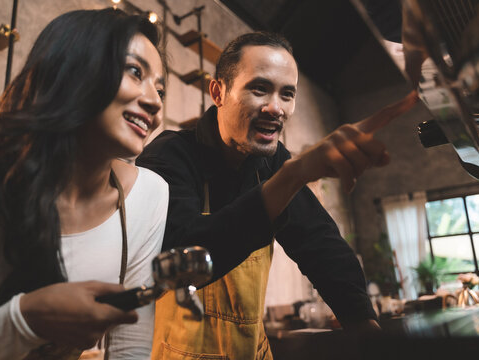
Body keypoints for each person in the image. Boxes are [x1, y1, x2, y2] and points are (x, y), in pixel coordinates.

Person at [136, 32, 418, 359]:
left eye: (287, 94)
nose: (275, 108)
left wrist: (364, 325)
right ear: (218, 92)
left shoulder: (272, 162)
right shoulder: (169, 156)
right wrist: (295, 174)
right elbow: (181, 257)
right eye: (259, 89)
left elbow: (319, 243)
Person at [0, 8, 168, 360]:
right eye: (135, 72)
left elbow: (130, 347)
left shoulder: (150, 195)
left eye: (160, 89)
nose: (155, 103)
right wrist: (25, 320)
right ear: (73, 70)